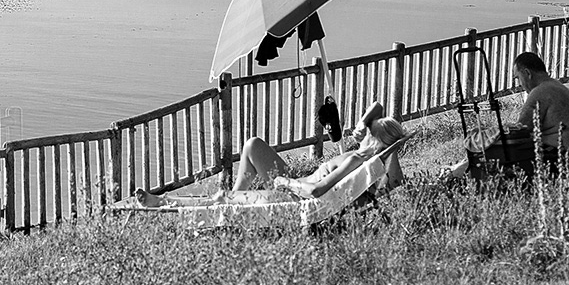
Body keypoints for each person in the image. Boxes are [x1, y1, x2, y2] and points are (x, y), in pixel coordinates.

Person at [134, 109, 406, 208]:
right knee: (253, 145)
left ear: (374, 138)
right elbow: (378, 109)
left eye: (369, 130)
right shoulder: (373, 159)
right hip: (296, 185)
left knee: (221, 198)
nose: (364, 130)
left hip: (294, 195)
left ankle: (163, 202)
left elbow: (316, 190)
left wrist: (285, 182)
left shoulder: (355, 160)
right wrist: (372, 130)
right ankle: (236, 201)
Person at [443, 50, 569, 180]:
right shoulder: (556, 86)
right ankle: (458, 170)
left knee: (494, 150)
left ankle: (456, 175)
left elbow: (521, 130)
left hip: (560, 154)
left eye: (518, 78)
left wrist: (492, 133)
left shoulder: (540, 92)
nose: (520, 84)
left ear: (527, 73)